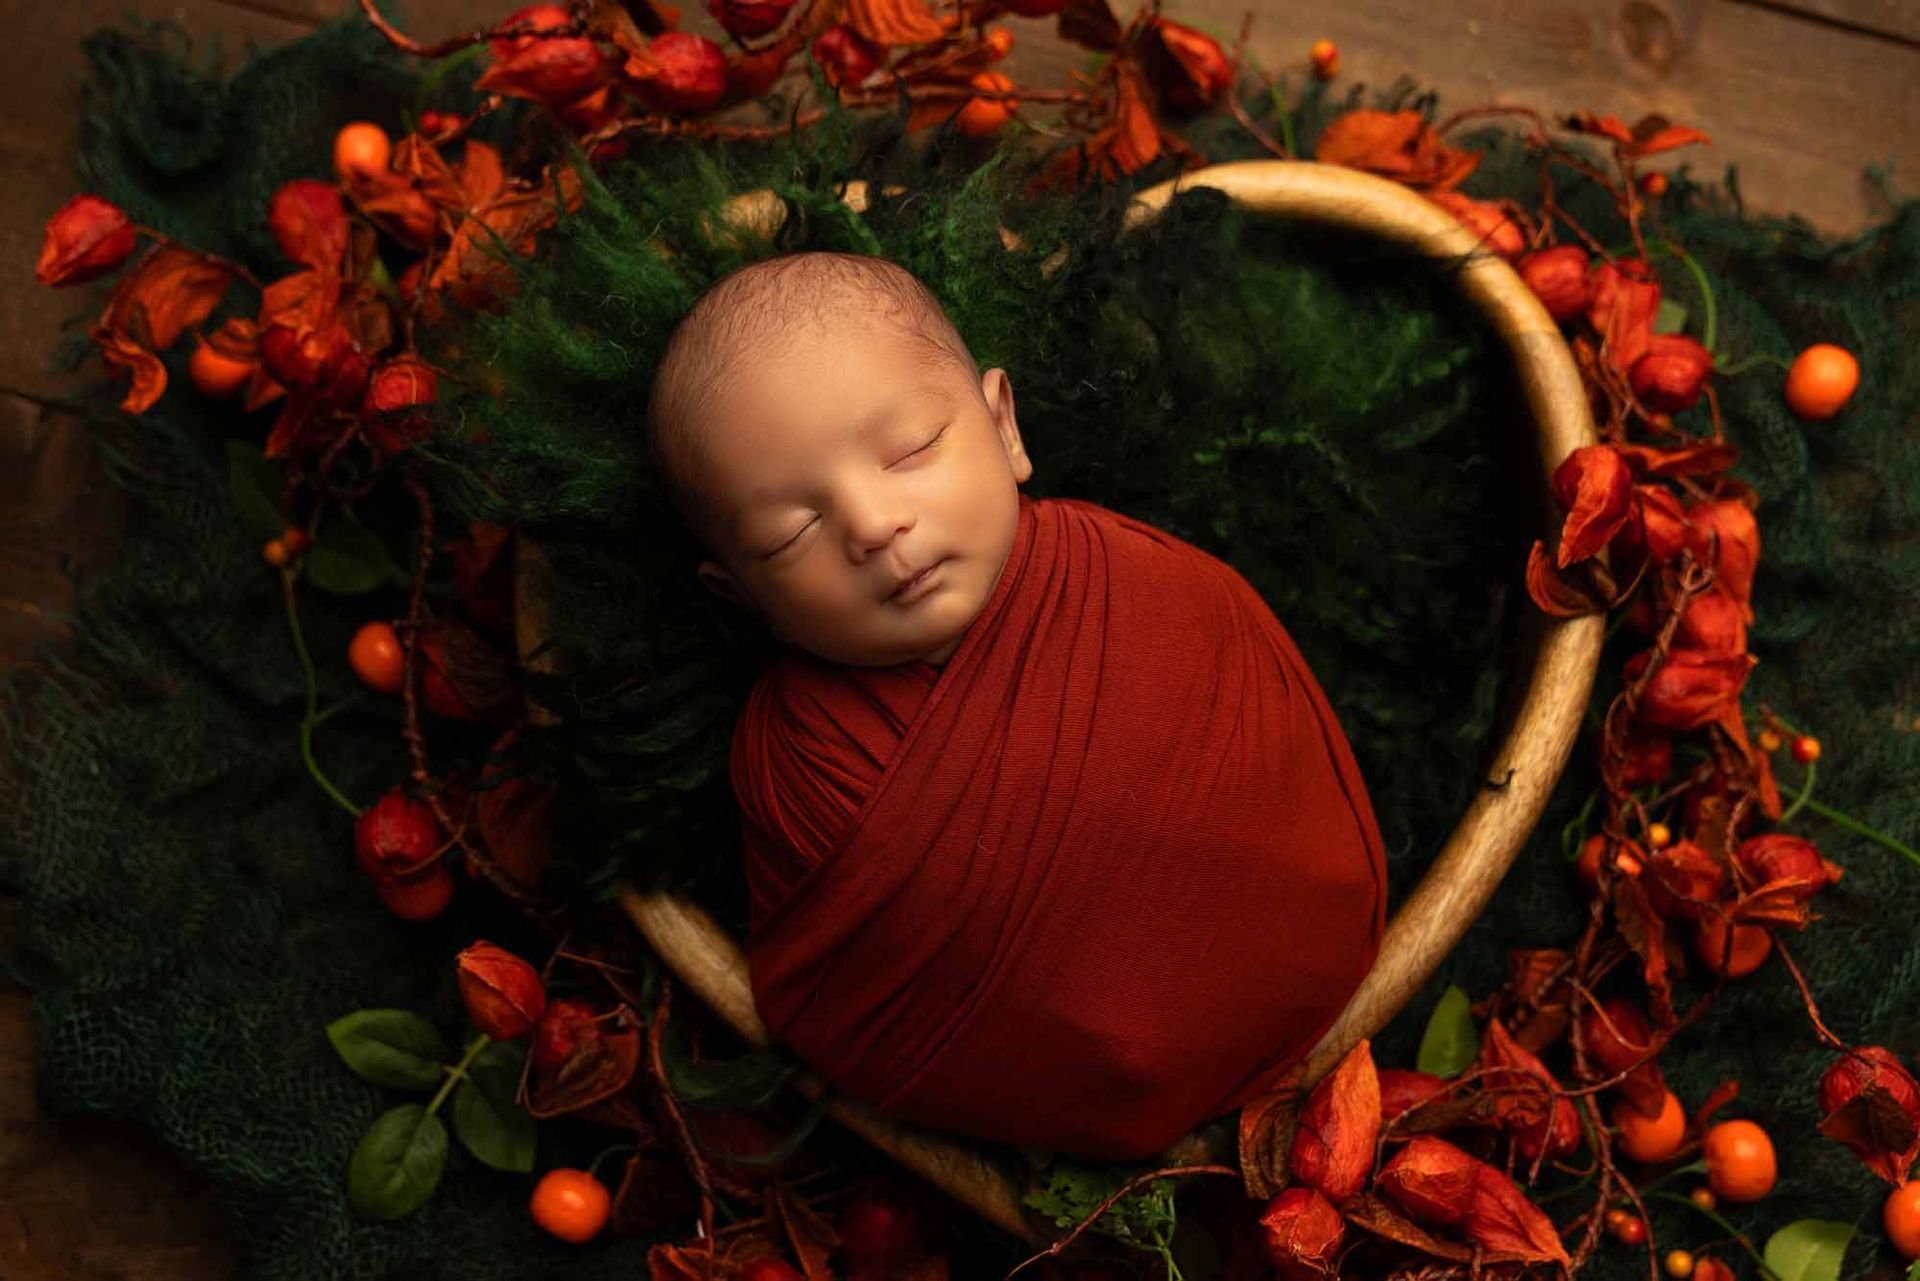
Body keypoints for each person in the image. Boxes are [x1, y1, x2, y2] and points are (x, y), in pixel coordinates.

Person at [645, 249, 1387, 1159]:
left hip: (1326, 967)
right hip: (1050, 1121)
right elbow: (844, 995)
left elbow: (1281, 770)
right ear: (740, 597)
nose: (873, 525)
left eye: (911, 449)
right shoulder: (800, 760)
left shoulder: (1151, 582)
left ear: (1005, 426)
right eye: (791, 530)